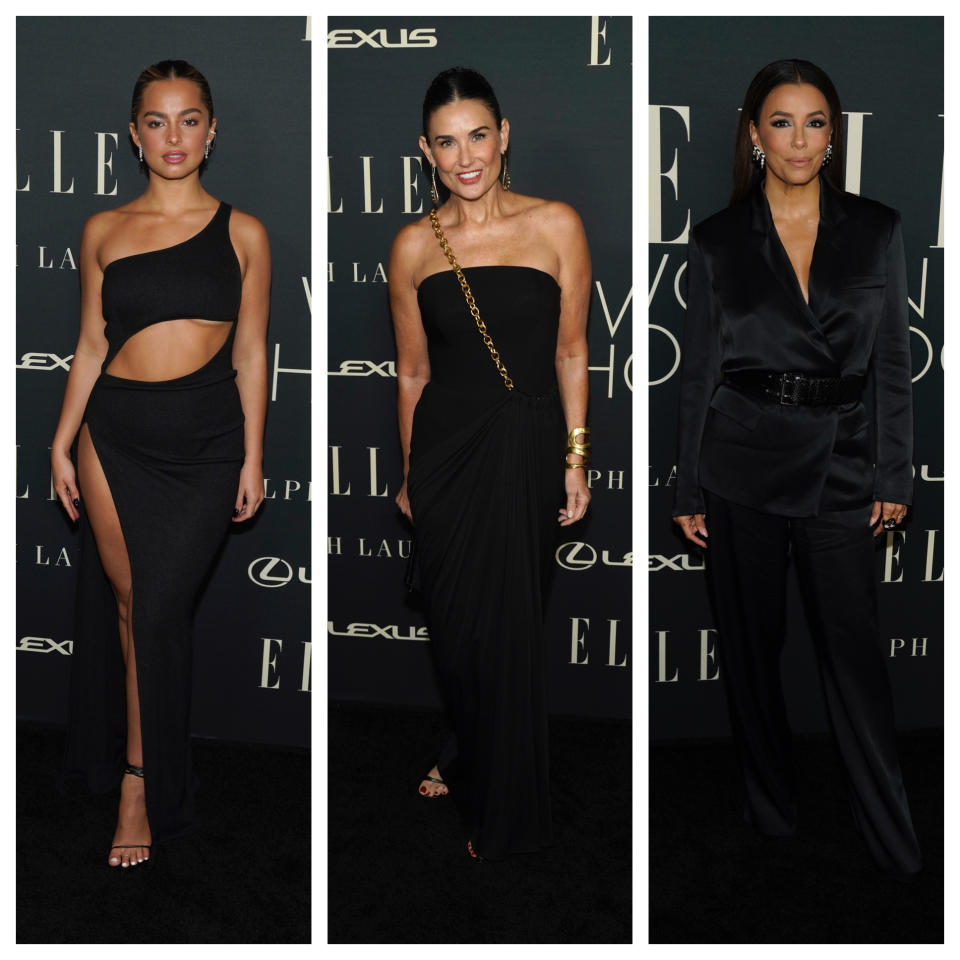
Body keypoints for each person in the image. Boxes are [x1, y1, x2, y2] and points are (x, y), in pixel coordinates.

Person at [673, 58, 922, 880]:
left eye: (816, 121)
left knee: (854, 660)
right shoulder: (715, 240)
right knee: (750, 651)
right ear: (753, 134)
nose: (800, 140)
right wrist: (686, 483)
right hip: (739, 465)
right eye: (782, 121)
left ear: (834, 133)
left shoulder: (877, 228)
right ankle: (770, 810)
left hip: (845, 466)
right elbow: (699, 373)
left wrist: (893, 475)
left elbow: (889, 363)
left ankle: (892, 836)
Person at [51, 59, 270, 868]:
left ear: (212, 132)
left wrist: (252, 453)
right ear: (133, 133)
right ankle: (140, 779)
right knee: (131, 604)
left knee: (158, 606)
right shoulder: (103, 230)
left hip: (207, 441)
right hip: (113, 436)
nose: (172, 136)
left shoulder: (244, 232)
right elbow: (89, 344)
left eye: (188, 120)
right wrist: (60, 439)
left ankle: (148, 774)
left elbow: (252, 353)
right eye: (155, 120)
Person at [388, 67, 591, 860]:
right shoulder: (413, 244)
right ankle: (463, 743)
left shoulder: (556, 226)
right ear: (425, 151)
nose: (465, 156)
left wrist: (575, 459)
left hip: (529, 446)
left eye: (479, 135)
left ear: (504, 136)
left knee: (510, 630)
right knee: (459, 636)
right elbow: (412, 373)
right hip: (446, 455)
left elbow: (573, 352)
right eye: (446, 142)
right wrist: (410, 470)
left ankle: (501, 804)